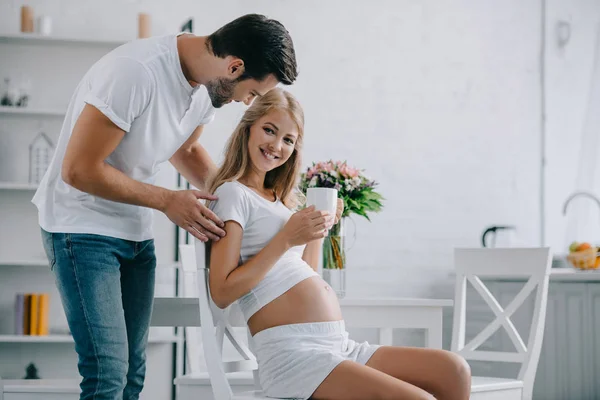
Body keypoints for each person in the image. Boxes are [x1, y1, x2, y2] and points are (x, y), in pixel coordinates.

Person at [32, 14, 298, 400]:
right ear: (234, 66)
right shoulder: (135, 73)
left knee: (132, 375)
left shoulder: (204, 88)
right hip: (81, 229)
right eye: (253, 93)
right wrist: (166, 201)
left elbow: (186, 150)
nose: (247, 102)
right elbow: (78, 170)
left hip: (135, 232)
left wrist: (246, 202)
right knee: (106, 373)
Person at [207, 88, 472, 400]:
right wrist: (286, 239)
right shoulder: (233, 195)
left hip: (338, 346)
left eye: (288, 140)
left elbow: (306, 273)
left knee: (453, 369)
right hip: (294, 357)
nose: (276, 146)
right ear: (247, 128)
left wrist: (320, 230)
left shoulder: (281, 202)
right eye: (269, 130)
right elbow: (222, 292)